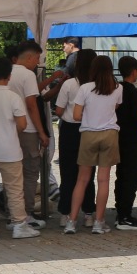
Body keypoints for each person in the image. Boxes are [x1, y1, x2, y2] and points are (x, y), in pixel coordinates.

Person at [0, 57, 37, 241]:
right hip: (10, 150)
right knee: (14, 190)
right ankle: (19, 224)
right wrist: (9, 131)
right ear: (9, 77)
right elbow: (22, 123)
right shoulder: (14, 97)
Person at [68, 54, 122, 235]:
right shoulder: (117, 88)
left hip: (88, 134)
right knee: (104, 179)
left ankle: (71, 221)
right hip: (109, 134)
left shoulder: (84, 88)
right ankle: (99, 222)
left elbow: (76, 116)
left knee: (82, 180)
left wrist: (90, 117)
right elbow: (115, 107)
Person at [54, 47, 98, 221]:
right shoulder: (97, 85)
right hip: (90, 130)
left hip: (70, 130)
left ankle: (65, 212)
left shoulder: (69, 84)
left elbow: (58, 110)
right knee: (88, 173)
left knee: (68, 172)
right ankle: (88, 212)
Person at [8, 40, 48, 228]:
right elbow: (32, 104)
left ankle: (14, 211)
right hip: (29, 129)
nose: (38, 62)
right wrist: (42, 132)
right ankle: (27, 212)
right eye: (37, 58)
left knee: (14, 174)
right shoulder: (28, 75)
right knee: (31, 173)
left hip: (9, 129)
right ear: (30, 57)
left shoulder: (6, 72)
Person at [114, 56, 137, 230]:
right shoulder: (133, 92)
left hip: (118, 136)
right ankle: (125, 215)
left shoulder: (116, 88)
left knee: (121, 176)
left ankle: (120, 211)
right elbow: (136, 116)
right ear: (135, 71)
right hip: (131, 139)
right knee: (131, 177)